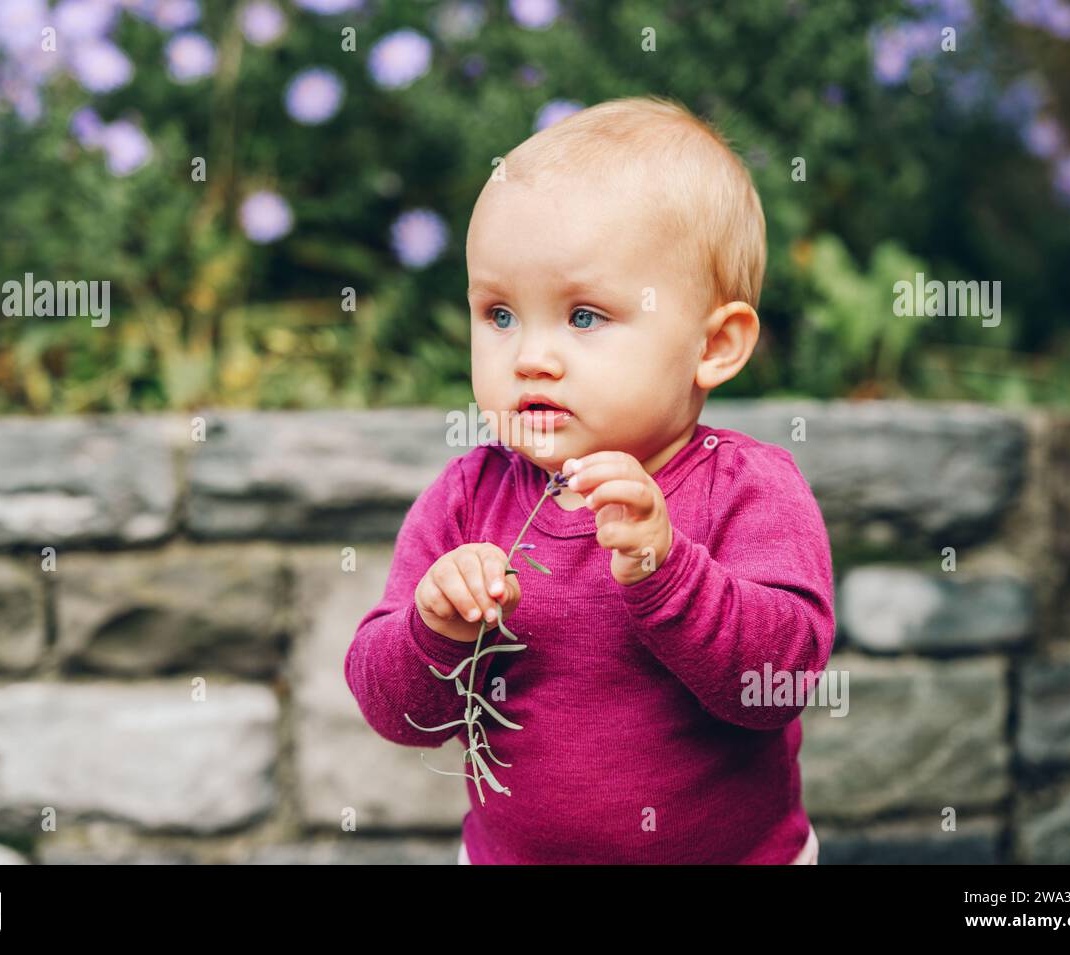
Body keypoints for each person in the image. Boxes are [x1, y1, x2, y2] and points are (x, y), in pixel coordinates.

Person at [346, 96, 833, 864]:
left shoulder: (749, 489)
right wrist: (432, 627)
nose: (530, 356)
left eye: (583, 317)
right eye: (500, 314)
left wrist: (667, 574)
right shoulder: (470, 497)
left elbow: (779, 680)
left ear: (716, 345)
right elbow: (392, 709)